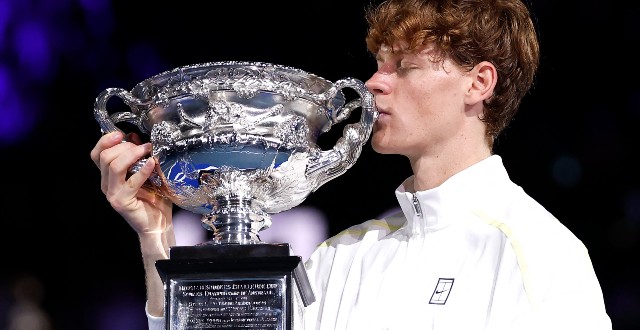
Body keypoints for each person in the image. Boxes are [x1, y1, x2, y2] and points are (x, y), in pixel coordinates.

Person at [90, 0, 613, 329]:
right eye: (378, 65)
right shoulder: (340, 257)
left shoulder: (540, 254)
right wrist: (155, 236)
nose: (373, 85)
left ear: (478, 84)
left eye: (404, 67)